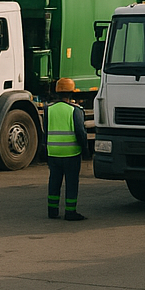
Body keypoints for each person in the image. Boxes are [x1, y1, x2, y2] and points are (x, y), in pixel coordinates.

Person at [46, 77, 88, 220]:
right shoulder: (75, 110)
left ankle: (52, 210)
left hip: (53, 152)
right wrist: (85, 149)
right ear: (71, 93)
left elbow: (45, 131)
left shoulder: (49, 109)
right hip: (71, 153)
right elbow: (81, 132)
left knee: (54, 181)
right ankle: (70, 212)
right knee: (71, 183)